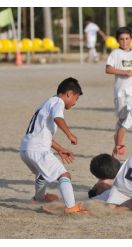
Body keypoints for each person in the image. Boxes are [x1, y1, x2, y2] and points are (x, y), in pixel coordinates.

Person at [20, 77, 87, 214]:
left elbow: (43, 136)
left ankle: (39, 198)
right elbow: (58, 118)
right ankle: (71, 207)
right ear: (69, 94)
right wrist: (69, 134)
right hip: (38, 150)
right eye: (76, 98)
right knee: (64, 175)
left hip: (26, 149)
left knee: (42, 173)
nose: (75, 103)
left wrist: (60, 149)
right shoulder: (58, 102)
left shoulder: (47, 103)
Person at [105, 26, 132, 155]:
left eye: (127, 38)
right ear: (117, 40)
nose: (125, 41)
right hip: (121, 92)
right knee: (122, 121)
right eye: (121, 39)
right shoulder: (115, 53)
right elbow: (108, 69)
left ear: (131, 39)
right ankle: (117, 141)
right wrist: (124, 72)